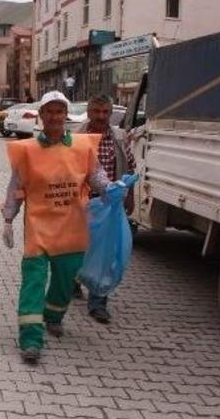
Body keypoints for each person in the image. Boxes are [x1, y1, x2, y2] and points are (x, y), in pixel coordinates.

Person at [1, 90, 111, 365]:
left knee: (65, 281)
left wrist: (111, 188)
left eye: (59, 111)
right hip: (38, 228)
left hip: (71, 229)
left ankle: (54, 315)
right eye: (48, 111)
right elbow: (16, 186)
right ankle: (30, 339)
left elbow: (96, 176)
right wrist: (8, 218)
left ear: (66, 115)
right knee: (33, 282)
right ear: (41, 116)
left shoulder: (82, 147)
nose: (54, 116)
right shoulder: (28, 151)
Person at [72, 95, 135, 324]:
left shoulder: (119, 137)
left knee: (105, 253)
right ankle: (73, 281)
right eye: (96, 111)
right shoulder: (77, 136)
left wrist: (130, 198)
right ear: (89, 112)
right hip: (83, 202)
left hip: (110, 205)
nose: (100, 116)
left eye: (105, 112)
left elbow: (130, 167)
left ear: (110, 113)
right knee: (79, 247)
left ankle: (98, 302)